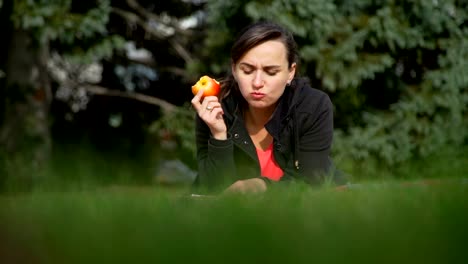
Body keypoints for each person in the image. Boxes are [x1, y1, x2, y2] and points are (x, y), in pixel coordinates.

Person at [191, 21, 346, 193]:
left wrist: (261, 186)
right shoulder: (214, 108)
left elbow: (309, 181)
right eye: (247, 70)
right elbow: (212, 192)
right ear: (234, 69)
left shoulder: (313, 106)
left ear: (291, 72)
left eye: (271, 72)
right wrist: (219, 135)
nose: (257, 83)